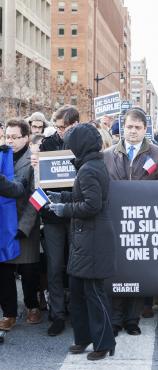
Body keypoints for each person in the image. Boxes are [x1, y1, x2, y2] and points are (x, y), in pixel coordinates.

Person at [48, 124, 116, 361]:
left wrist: (63, 208)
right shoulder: (90, 166)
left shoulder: (88, 169)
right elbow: (85, 196)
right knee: (77, 292)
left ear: (80, 145)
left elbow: (92, 205)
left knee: (94, 294)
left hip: (92, 241)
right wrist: (62, 196)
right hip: (85, 240)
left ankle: (104, 342)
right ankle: (84, 337)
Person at [103, 108, 158, 337]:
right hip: (115, 222)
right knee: (117, 270)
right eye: (129, 126)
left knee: (138, 271)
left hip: (144, 223)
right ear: (123, 127)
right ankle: (115, 318)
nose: (132, 131)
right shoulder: (108, 154)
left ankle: (132, 318)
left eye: (137, 127)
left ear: (145, 129)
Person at [31, 105, 80, 336]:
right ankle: (57, 314)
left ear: (75, 125)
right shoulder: (46, 146)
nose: (61, 131)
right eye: (58, 127)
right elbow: (37, 184)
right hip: (51, 216)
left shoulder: (82, 145)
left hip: (74, 213)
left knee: (76, 265)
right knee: (54, 266)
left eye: (66, 127)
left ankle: (78, 311)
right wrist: (36, 169)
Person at [0, 119, 41, 331]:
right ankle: (8, 313)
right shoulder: (2, 155)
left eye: (16, 137)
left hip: (26, 222)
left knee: (29, 270)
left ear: (26, 137)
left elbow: (37, 195)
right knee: (4, 271)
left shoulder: (33, 160)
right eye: (8, 136)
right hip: (3, 225)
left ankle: (33, 306)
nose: (11, 141)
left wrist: (24, 226)